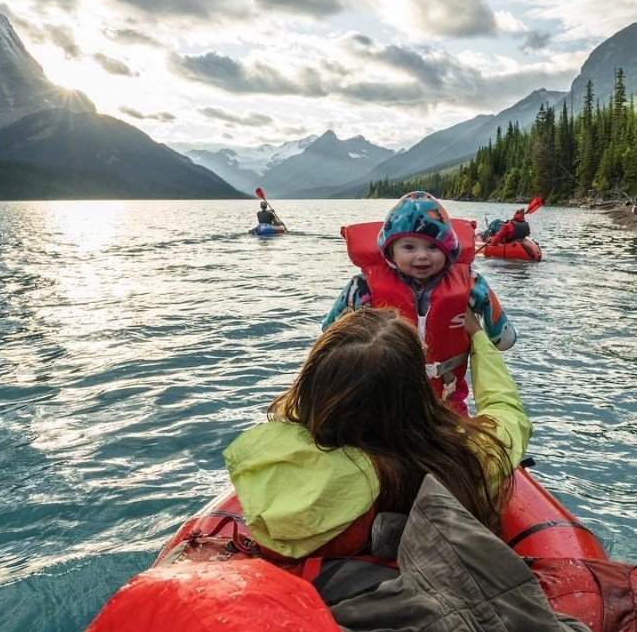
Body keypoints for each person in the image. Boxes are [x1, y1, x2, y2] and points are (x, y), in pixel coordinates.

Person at [224, 305, 532, 560]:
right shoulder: (466, 458)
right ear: (416, 388)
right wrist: (477, 337)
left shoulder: (278, 463)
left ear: (313, 384)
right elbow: (506, 411)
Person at [322, 191, 516, 412]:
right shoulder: (363, 287)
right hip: (380, 402)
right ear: (390, 251)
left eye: (433, 247)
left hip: (446, 402)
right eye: (409, 247)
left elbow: (505, 341)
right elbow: (330, 334)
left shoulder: (471, 284)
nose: (422, 255)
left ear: (448, 249)